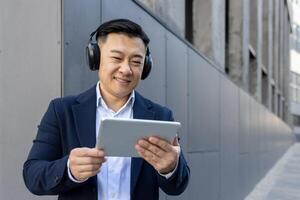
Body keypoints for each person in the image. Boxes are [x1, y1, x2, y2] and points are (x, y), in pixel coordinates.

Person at [23, 18, 190, 200]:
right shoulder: (62, 111)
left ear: (146, 67)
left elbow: (177, 186)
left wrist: (170, 168)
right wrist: (69, 169)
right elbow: (32, 175)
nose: (126, 69)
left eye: (136, 61)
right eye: (117, 58)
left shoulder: (160, 115)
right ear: (95, 58)